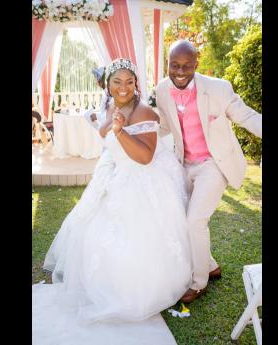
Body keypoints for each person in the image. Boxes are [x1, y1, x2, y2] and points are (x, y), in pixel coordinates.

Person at [32, 58, 192, 344]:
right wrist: (105, 126)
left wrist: (119, 132)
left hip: (140, 180)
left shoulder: (144, 113)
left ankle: (131, 289)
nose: (123, 87)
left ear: (136, 84)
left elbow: (144, 158)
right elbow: (105, 132)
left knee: (133, 238)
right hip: (114, 174)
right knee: (95, 230)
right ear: (107, 84)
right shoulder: (109, 104)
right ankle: (100, 284)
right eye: (117, 82)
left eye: (129, 82)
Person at [156, 40, 262, 303]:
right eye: (174, 66)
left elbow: (247, 116)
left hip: (214, 164)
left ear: (196, 64)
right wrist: (133, 135)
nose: (180, 72)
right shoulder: (161, 89)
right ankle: (211, 265)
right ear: (167, 63)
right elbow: (164, 126)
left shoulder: (218, 89)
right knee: (180, 218)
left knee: (195, 221)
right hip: (183, 164)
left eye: (186, 66)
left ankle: (199, 281)